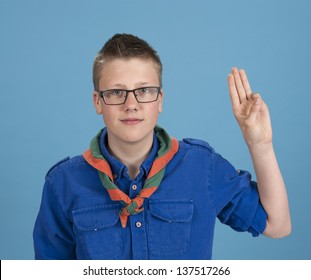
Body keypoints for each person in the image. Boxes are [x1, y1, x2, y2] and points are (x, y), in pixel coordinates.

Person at [33, 33, 291, 260]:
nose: (131, 104)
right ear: (97, 101)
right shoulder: (63, 183)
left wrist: (260, 144)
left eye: (144, 90)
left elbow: (276, 225)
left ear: (160, 100)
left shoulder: (202, 167)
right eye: (115, 92)